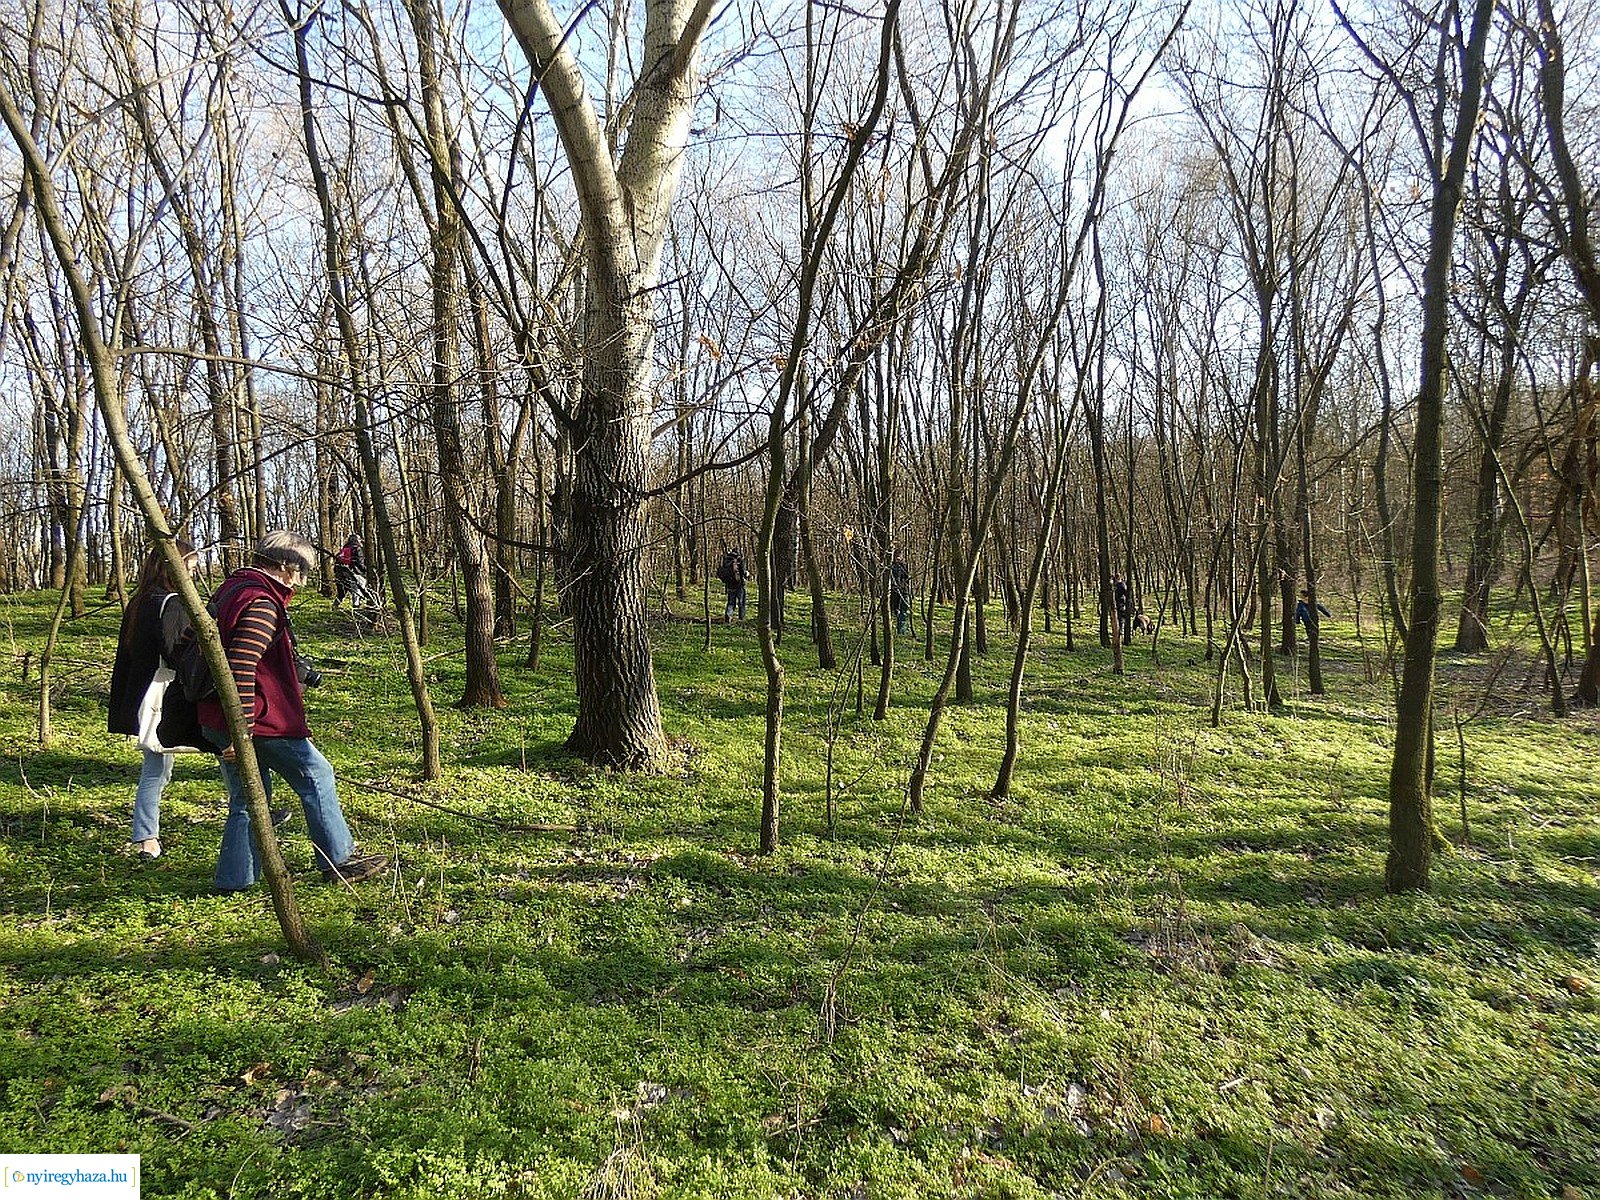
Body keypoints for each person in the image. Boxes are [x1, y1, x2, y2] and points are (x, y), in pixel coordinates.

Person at [197, 530, 386, 892]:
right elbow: (240, 666)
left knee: (248, 798)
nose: (301, 581)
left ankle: (234, 879)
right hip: (260, 721)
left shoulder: (231, 591)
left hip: (219, 716)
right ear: (285, 567)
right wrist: (244, 728)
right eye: (300, 572)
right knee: (317, 776)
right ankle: (339, 859)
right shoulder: (261, 602)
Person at [107, 539, 203, 860]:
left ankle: (145, 837)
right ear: (171, 568)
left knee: (156, 768)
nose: (191, 575)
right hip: (168, 693)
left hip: (147, 692)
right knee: (223, 747)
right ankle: (146, 838)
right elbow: (178, 654)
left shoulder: (141, 600)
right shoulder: (171, 602)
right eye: (188, 569)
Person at [332, 534, 367, 607]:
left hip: (340, 574)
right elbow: (359, 563)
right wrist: (366, 570)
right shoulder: (357, 549)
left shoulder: (343, 550)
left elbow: (337, 563)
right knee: (357, 591)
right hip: (353, 573)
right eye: (359, 539)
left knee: (341, 593)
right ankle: (356, 608)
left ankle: (334, 607)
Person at [718, 548, 749, 623]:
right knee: (741, 602)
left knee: (731, 602)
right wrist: (746, 574)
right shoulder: (739, 560)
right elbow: (743, 571)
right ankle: (741, 618)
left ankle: (728, 615)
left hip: (729, 584)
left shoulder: (726, 560)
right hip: (739, 584)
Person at [889, 555, 913, 635]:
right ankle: (891, 630)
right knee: (894, 611)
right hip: (894, 592)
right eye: (897, 557)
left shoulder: (905, 566)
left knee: (903, 611)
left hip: (903, 591)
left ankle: (901, 630)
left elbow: (907, 578)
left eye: (899, 557)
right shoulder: (891, 566)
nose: (898, 559)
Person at [1112, 573, 1131, 644]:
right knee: (1121, 618)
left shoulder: (1115, 585)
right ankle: (1120, 630)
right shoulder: (1121, 585)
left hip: (1118, 604)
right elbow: (1126, 593)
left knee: (1119, 617)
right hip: (1120, 603)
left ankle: (1119, 630)